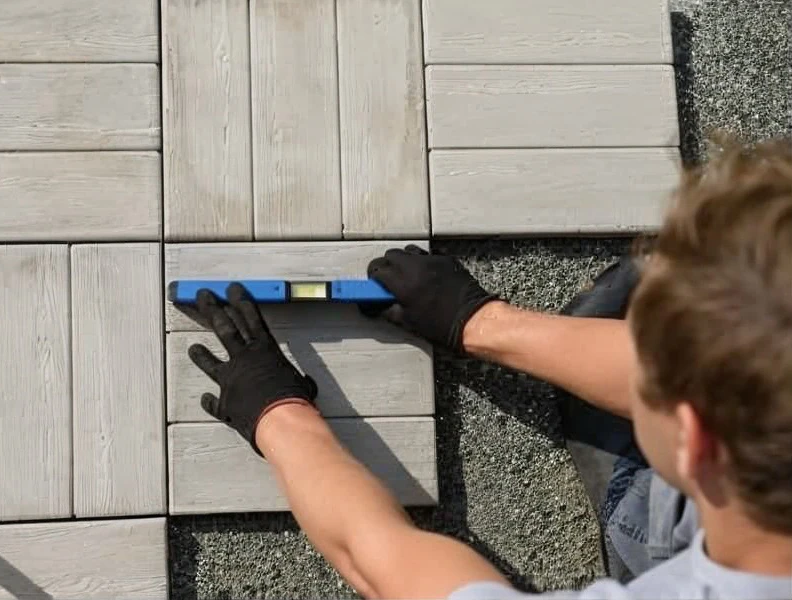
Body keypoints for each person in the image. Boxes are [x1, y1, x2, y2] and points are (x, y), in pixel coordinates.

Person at [185, 138, 792, 599]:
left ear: (698, 443)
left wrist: (276, 414)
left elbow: (381, 562)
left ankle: (635, 520)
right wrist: (478, 322)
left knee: (654, 307)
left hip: (676, 533)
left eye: (652, 367)